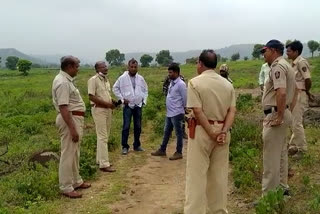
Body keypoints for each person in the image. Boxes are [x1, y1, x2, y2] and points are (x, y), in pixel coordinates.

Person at [184, 50, 236, 214]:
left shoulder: (194, 83)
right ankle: (218, 210)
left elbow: (198, 111)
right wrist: (223, 131)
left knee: (196, 176)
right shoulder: (228, 84)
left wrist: (211, 132)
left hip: (201, 131)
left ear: (200, 63)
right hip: (223, 131)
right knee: (219, 177)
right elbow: (232, 111)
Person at [52, 56, 91, 198]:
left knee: (74, 152)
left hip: (74, 118)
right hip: (70, 119)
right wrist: (72, 128)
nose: (78, 69)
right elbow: (63, 107)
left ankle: (75, 181)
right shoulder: (62, 82)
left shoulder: (67, 81)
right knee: (68, 153)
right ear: (69, 66)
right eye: (77, 66)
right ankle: (66, 186)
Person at [260, 40, 296, 195]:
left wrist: (279, 115)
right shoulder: (287, 65)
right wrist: (287, 112)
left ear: (273, 50)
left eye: (265, 51)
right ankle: (282, 189)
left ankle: (268, 196)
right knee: (281, 154)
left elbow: (281, 92)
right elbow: (293, 93)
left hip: (275, 114)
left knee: (270, 158)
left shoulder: (277, 66)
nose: (263, 55)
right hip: (282, 112)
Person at [151, 63, 187, 160]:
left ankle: (179, 152)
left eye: (171, 73)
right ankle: (162, 150)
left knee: (178, 133)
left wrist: (183, 110)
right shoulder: (172, 82)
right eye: (169, 72)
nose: (169, 74)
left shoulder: (181, 84)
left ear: (176, 73)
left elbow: (185, 99)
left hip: (177, 113)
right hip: (170, 113)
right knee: (166, 132)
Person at [112, 58, 148, 155]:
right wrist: (122, 99)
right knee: (126, 126)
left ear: (137, 68)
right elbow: (115, 88)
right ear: (128, 67)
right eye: (131, 67)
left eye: (135, 67)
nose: (133, 69)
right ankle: (125, 146)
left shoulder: (140, 78)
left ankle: (137, 145)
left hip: (138, 105)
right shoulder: (122, 78)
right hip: (128, 106)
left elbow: (145, 90)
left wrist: (144, 101)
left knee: (138, 126)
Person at [88, 61, 117, 172]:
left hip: (107, 110)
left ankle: (100, 160)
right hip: (99, 110)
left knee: (105, 135)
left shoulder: (106, 80)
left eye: (106, 66)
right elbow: (92, 97)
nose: (106, 68)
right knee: (102, 136)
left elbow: (105, 95)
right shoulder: (93, 80)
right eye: (103, 66)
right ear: (97, 69)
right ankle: (104, 164)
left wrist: (112, 102)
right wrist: (107, 104)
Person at [286, 40, 313, 157]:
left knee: (297, 123)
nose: (287, 53)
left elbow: (308, 79)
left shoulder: (301, 63)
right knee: (294, 121)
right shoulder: (292, 64)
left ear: (296, 52)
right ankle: (293, 146)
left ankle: (302, 149)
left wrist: (306, 91)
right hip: (294, 95)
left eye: (289, 51)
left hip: (299, 94)